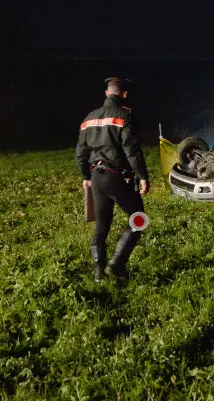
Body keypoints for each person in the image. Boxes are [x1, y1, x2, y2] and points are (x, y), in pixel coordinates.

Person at [76, 77, 150, 281]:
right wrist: (143, 177)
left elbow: (80, 154)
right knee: (139, 218)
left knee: (102, 227)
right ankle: (116, 265)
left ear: (107, 94)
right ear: (124, 94)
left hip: (96, 178)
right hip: (116, 177)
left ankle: (99, 275)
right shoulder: (123, 116)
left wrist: (86, 177)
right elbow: (132, 151)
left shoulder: (88, 118)